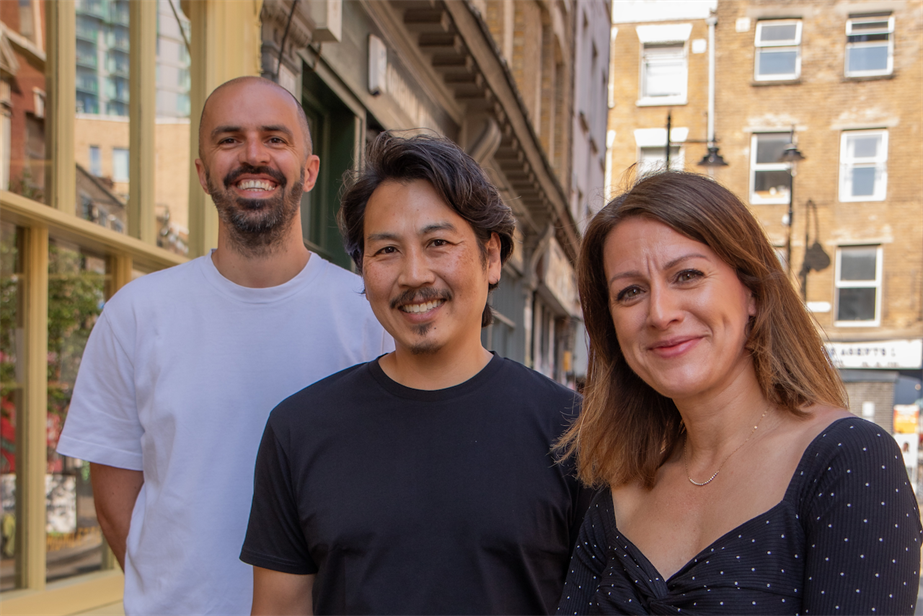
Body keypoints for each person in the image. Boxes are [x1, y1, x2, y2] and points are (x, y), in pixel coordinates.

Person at [56, 77, 391, 615]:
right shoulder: (136, 314)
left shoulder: (368, 312)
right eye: (229, 139)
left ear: (309, 170)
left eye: (275, 139)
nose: (252, 155)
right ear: (202, 171)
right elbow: (116, 503)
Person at [241, 132, 592, 616]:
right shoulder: (298, 431)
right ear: (362, 268)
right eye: (386, 251)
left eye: (438, 243)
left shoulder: (570, 430)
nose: (414, 275)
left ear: (491, 257)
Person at [555, 171, 922, 615]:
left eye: (687, 275)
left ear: (751, 291)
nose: (660, 313)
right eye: (630, 291)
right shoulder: (619, 484)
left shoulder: (848, 459)